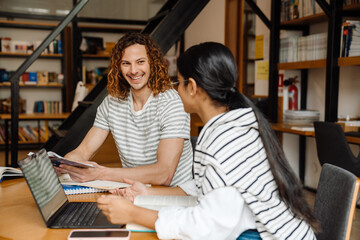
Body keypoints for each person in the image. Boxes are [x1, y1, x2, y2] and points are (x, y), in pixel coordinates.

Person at [97, 42, 319, 240]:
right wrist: (148, 193)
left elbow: (207, 228)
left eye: (180, 83)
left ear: (192, 88)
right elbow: (209, 186)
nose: (176, 90)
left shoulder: (224, 141)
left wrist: (134, 213)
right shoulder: (233, 125)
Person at [56, 32, 193, 187]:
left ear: (152, 63)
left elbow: (164, 174)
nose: (133, 70)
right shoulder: (111, 103)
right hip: (135, 192)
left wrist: (101, 173)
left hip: (173, 198)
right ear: (118, 67)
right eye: (126, 63)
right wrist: (64, 164)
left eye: (140, 62)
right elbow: (84, 150)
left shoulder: (171, 103)